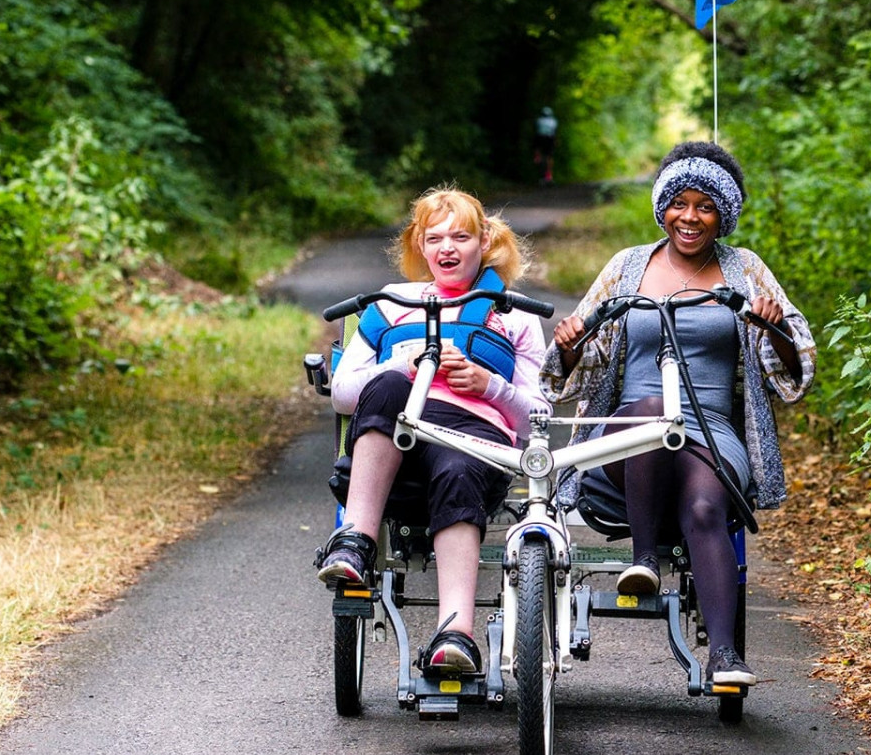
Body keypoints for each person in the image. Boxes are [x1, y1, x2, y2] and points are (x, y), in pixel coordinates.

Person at [543, 141, 816, 687]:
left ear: (724, 216)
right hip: (626, 433)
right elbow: (575, 363)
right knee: (649, 411)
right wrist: (572, 341)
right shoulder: (627, 267)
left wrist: (774, 326)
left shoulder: (746, 271)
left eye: (705, 207)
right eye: (679, 203)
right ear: (662, 206)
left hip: (712, 435)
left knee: (704, 507)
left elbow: (796, 367)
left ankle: (724, 657)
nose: (689, 217)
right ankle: (643, 558)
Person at [316, 187, 550, 676]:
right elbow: (342, 393)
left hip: (472, 442)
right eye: (435, 237)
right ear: (419, 245)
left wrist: (490, 386)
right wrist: (402, 362)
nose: (447, 248)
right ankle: (354, 542)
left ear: (484, 241)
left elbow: (537, 420)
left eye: (460, 236)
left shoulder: (517, 314)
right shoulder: (392, 305)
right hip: (395, 437)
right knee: (382, 385)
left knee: (457, 469)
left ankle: (455, 632)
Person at [533, 106, 558, 184]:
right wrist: (555, 141)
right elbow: (554, 132)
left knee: (538, 149)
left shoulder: (538, 120)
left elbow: (536, 131)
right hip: (549, 139)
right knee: (549, 157)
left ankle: (537, 157)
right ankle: (549, 175)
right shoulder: (553, 121)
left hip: (540, 138)